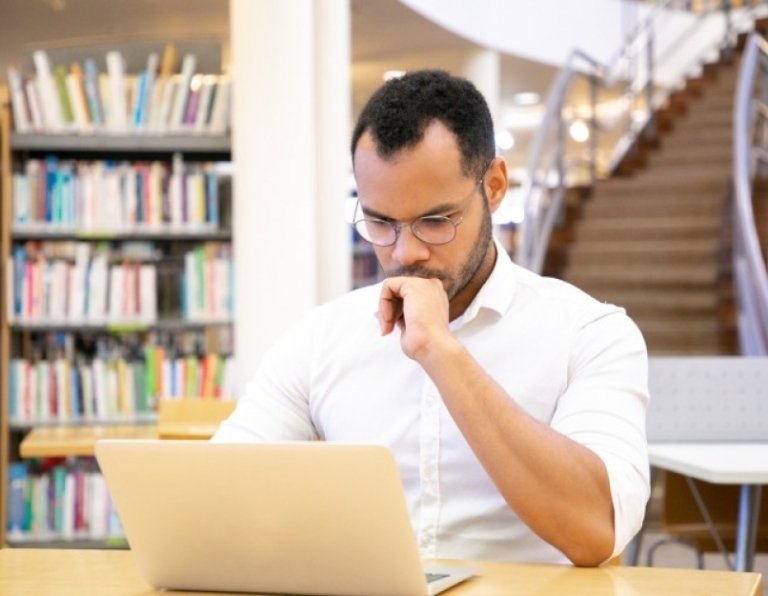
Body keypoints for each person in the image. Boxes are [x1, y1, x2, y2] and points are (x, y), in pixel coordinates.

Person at [212, 69, 650, 567]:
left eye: (436, 221)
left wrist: (441, 352)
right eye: (380, 223)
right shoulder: (320, 338)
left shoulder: (590, 333)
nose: (406, 251)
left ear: (495, 186)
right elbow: (221, 494)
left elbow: (597, 528)